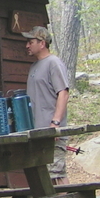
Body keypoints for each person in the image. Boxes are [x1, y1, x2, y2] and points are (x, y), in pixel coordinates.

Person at [22, 26, 70, 185]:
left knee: (56, 173)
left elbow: (63, 93)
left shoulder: (53, 63)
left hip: (51, 131)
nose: (27, 45)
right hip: (37, 131)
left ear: (42, 43)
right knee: (43, 176)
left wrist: (55, 123)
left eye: (31, 42)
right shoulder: (34, 67)